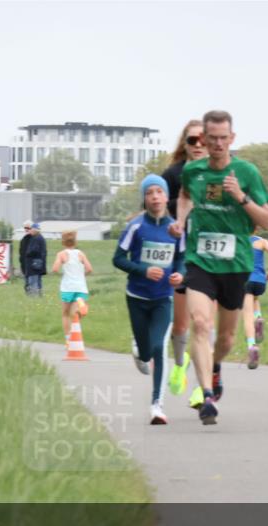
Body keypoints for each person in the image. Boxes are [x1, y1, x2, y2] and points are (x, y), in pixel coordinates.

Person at [173, 110, 268, 425]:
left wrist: (240, 197)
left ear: (232, 138)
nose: (217, 144)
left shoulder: (247, 172)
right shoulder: (193, 171)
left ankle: (215, 367)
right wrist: (181, 221)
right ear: (204, 139)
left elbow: (267, 221)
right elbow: (184, 196)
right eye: (212, 138)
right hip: (200, 261)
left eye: (223, 138)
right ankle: (206, 396)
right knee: (201, 324)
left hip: (236, 263)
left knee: (227, 338)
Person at [113, 175, 186, 425]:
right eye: (149, 193)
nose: (155, 197)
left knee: (158, 348)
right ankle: (138, 348)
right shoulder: (135, 227)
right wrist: (143, 270)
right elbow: (118, 258)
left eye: (159, 192)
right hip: (136, 297)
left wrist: (179, 275)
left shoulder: (175, 229)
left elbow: (181, 259)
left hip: (163, 298)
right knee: (145, 354)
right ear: (144, 199)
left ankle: (157, 405)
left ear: (166, 196)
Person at [162, 119, 208, 397]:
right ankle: (180, 363)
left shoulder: (222, 173)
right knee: (181, 325)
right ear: (185, 143)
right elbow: (153, 207)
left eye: (204, 139)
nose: (199, 144)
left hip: (210, 257)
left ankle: (205, 389)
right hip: (181, 255)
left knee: (203, 323)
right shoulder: (173, 174)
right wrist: (182, 206)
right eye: (193, 140)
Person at [51, 230, 93, 341]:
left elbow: (55, 269)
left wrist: (62, 274)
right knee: (74, 315)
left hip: (67, 287)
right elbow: (89, 269)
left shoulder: (61, 254)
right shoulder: (81, 254)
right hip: (81, 287)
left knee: (65, 314)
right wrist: (82, 275)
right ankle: (81, 308)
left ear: (63, 242)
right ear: (75, 241)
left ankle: (68, 339)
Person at [243, 232, 268, 369]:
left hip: (246, 280)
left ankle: (252, 346)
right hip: (260, 282)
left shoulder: (241, 241)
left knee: (247, 316)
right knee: (255, 297)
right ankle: (258, 317)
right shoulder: (262, 241)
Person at [24, 223, 47, 297]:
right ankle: (39, 296)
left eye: (30, 229)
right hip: (38, 264)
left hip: (34, 264)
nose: (29, 231)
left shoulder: (36, 238)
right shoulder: (40, 237)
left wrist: (27, 253)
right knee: (37, 281)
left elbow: (34, 250)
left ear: (34, 230)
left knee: (33, 281)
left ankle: (33, 297)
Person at [18, 221, 33, 291]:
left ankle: (33, 294)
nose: (26, 229)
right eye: (25, 228)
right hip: (24, 264)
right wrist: (21, 262)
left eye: (28, 228)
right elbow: (21, 252)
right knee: (27, 283)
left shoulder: (34, 239)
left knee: (32, 282)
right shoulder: (23, 239)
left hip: (32, 264)